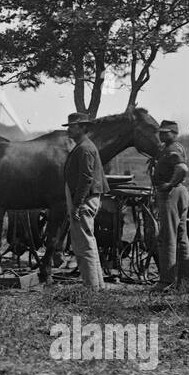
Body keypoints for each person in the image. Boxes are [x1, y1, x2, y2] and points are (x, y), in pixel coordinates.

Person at [62, 112, 108, 290]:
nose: (69, 130)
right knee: (88, 241)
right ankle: (97, 285)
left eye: (72, 126)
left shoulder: (84, 148)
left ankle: (91, 287)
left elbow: (86, 179)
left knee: (83, 244)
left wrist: (77, 204)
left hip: (84, 199)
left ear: (83, 128)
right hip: (86, 198)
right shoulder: (83, 146)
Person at [150, 119, 189, 292]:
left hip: (172, 193)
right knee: (181, 237)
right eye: (160, 132)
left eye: (165, 132)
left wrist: (169, 184)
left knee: (168, 236)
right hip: (178, 191)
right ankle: (186, 281)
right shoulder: (170, 148)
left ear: (174, 133)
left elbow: (182, 168)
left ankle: (166, 281)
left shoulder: (173, 149)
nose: (161, 135)